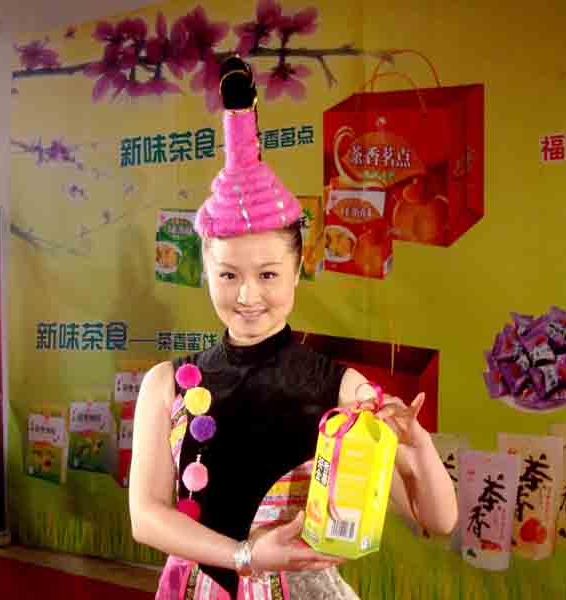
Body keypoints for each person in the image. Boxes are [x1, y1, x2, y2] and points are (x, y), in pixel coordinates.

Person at [129, 56, 458, 600]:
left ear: (298, 268)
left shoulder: (344, 390)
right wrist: (244, 556)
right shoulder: (167, 384)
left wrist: (417, 445)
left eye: (267, 275)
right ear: (206, 269)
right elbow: (145, 517)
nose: (247, 296)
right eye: (228, 275)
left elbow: (438, 520)